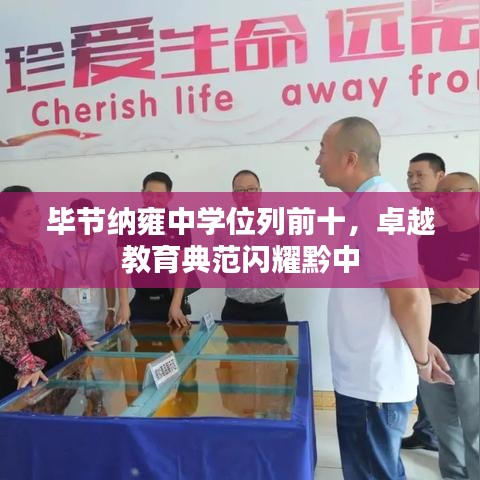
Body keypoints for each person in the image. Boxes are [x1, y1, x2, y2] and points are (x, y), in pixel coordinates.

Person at [314, 117, 454, 479]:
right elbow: (405, 290)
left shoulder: (377, 207)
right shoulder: (371, 205)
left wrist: (421, 358)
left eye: (323, 150)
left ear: (350, 158)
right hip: (365, 379)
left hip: (371, 384)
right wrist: (420, 342)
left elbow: (409, 296)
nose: (317, 160)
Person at [0, 186, 96, 399]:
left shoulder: (36, 248)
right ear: (5, 221)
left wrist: (77, 332)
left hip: (50, 348)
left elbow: (50, 298)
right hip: (18, 362)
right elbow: (2, 319)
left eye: (36, 210)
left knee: (58, 408)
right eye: (27, 213)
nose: (36, 218)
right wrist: (25, 362)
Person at [418, 172, 479, 480]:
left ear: (473, 195)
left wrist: (429, 289)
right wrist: (443, 288)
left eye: (449, 194)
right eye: (438, 195)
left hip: (471, 348)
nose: (440, 201)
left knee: (475, 432)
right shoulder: (431, 237)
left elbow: (467, 287)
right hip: (430, 346)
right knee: (444, 429)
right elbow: (411, 285)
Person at [402, 152, 446, 451]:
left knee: (447, 378)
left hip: (452, 315)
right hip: (422, 306)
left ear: (440, 176)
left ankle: (446, 441)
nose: (413, 181)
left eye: (420, 175)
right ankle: (426, 430)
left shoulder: (454, 216)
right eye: (410, 176)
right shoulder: (413, 215)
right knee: (422, 373)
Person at [116, 172, 193, 327]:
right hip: (141, 301)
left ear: (169, 196)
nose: (153, 200)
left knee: (176, 341)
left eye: (160, 196)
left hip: (170, 301)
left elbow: (182, 267)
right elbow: (124, 266)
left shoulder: (180, 224)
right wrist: (123, 304)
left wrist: (175, 305)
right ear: (142, 193)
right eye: (149, 194)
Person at [218, 170, 289, 323]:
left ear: (260, 192)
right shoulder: (223, 228)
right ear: (233, 195)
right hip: (235, 310)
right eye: (240, 190)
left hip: (273, 308)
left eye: (251, 189)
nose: (246, 195)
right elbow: (221, 267)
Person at [53, 198, 117, 340]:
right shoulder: (63, 245)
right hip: (70, 315)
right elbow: (57, 283)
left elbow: (110, 283)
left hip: (97, 315)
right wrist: (56, 313)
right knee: (71, 352)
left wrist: (111, 312)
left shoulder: (104, 245)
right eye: (77, 217)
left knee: (96, 351)